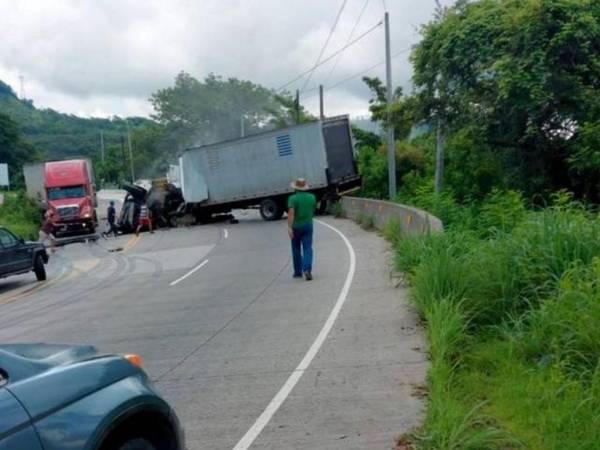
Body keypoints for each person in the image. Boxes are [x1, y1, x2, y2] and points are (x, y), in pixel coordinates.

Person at [287, 178, 317, 281]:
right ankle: (307, 269)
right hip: (308, 225)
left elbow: (291, 212)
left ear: (296, 188)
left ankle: (298, 272)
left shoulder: (292, 199)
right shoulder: (312, 197)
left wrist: (289, 227)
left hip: (296, 226)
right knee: (308, 248)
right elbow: (313, 209)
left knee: (296, 248)